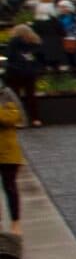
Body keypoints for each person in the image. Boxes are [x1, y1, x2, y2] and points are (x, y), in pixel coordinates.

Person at [1, 26, 38, 127]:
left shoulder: (13, 42)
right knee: (31, 96)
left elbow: (9, 56)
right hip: (30, 72)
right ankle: (36, 119)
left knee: (16, 98)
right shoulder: (34, 42)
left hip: (15, 72)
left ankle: (20, 120)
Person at [0, 85, 21, 237]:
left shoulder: (6, 94)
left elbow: (13, 117)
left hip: (7, 151)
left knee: (10, 187)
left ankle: (15, 222)